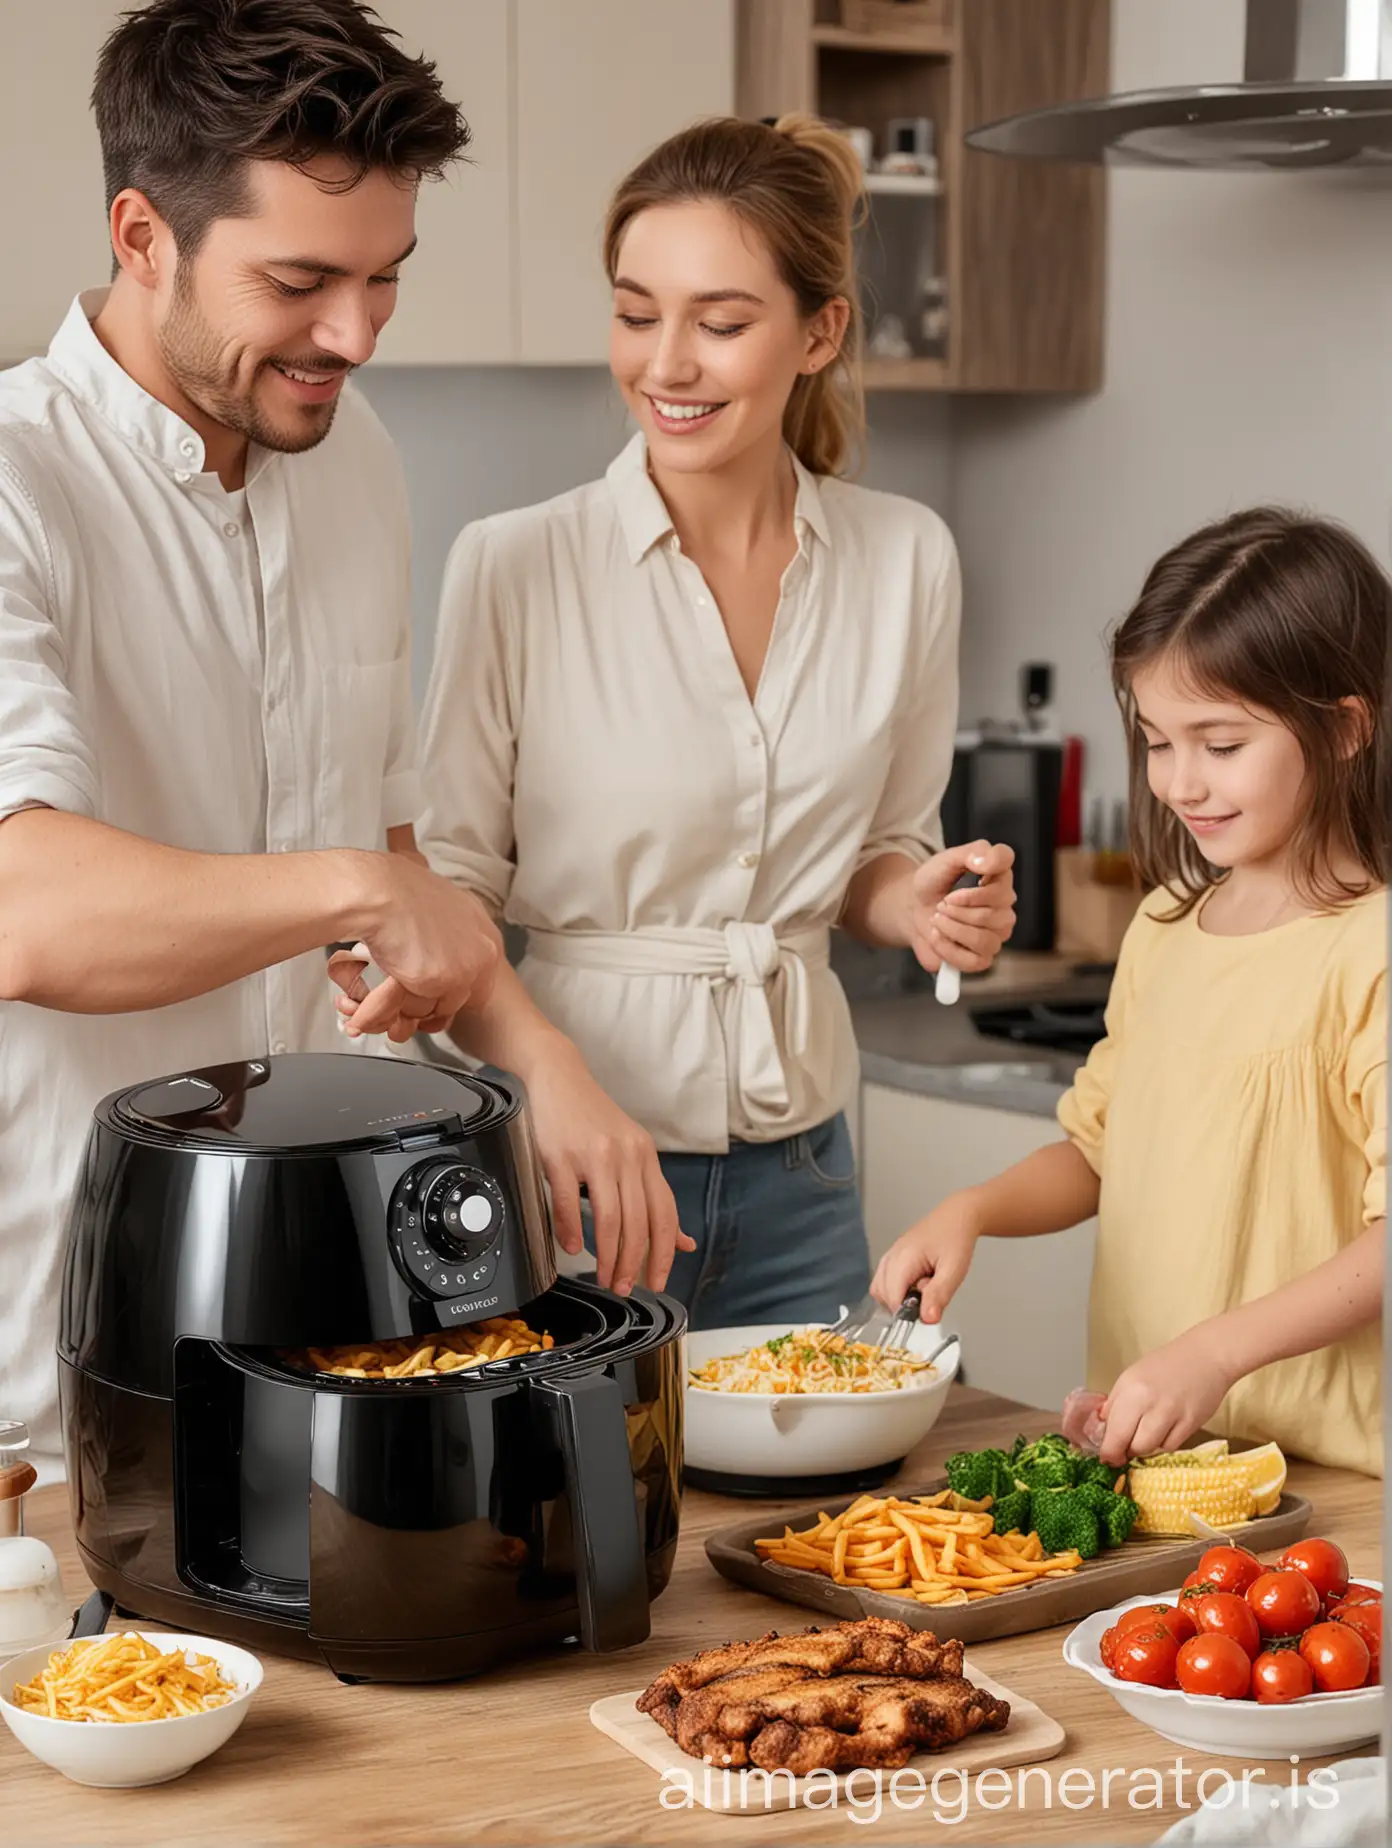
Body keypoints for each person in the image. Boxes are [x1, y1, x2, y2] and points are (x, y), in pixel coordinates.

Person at [343, 117, 1016, 1327]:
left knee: (824, 1515)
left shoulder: (908, 559)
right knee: (573, 1514)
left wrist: (916, 903)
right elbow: (453, 887)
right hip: (574, 1170)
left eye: (721, 321)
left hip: (807, 1174)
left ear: (821, 332)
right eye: (636, 312)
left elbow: (884, 850)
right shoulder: (517, 564)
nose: (666, 364)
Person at [0, 0, 503, 1476]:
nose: (352, 334)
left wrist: (539, 1073)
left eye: (384, 281)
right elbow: (29, 912)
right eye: (299, 280)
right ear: (144, 235)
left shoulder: (362, 467)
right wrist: (359, 887)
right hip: (49, 1369)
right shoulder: (16, 484)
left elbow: (392, 856)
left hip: (311, 1340)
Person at [874, 507, 1387, 1475]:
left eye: (1221, 744)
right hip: (1154, 1464)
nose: (1180, 782)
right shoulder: (1161, 929)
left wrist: (1216, 1352)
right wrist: (973, 1209)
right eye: (1157, 742)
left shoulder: (1371, 953)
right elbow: (1097, 1151)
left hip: (1322, 1487)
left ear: (1347, 730)